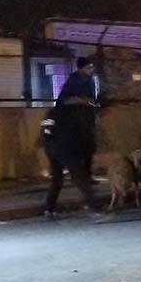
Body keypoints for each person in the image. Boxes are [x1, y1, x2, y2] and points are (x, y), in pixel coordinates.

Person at [43, 57, 100, 219]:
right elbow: (86, 105)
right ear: (82, 68)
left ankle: (49, 208)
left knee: (58, 178)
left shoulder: (56, 111)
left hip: (53, 145)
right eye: (89, 68)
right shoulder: (79, 86)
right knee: (79, 175)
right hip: (66, 145)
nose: (91, 71)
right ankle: (93, 208)